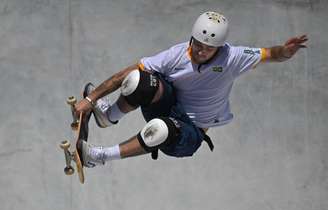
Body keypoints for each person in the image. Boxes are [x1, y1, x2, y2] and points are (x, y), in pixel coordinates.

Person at [74, 11, 308, 168]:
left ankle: (99, 156)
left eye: (208, 48)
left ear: (219, 47)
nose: (200, 52)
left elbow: (270, 54)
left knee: (161, 128)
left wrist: (285, 52)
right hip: (168, 106)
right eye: (197, 44)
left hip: (189, 133)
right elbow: (124, 74)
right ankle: (108, 116)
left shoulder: (233, 57)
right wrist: (92, 99)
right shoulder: (176, 54)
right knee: (139, 79)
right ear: (192, 38)